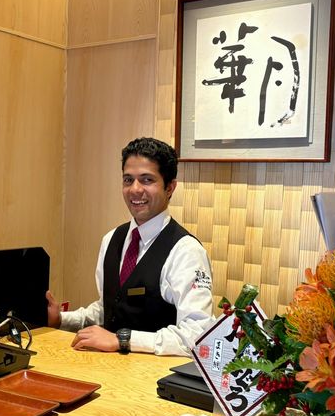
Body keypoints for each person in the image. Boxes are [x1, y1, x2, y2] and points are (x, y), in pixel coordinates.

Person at [47, 137, 213, 356]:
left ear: (170, 187)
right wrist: (61, 319)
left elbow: (198, 336)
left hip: (155, 374)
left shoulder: (186, 251)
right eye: (128, 180)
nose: (135, 189)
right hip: (107, 370)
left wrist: (123, 340)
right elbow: (108, 310)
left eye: (147, 180)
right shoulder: (111, 239)